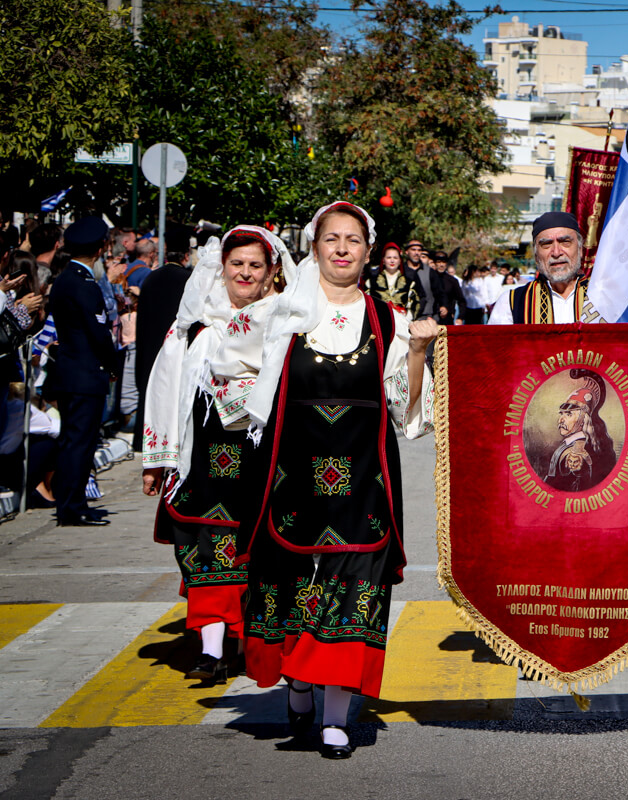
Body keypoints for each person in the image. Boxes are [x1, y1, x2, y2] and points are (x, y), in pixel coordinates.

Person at [238, 201, 437, 759]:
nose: (342, 248)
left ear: (368, 252)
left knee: (354, 590)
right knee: (296, 586)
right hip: (292, 480)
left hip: (365, 481)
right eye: (332, 239)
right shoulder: (280, 314)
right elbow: (238, 387)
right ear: (315, 247)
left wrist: (419, 351)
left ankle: (334, 717)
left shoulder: (388, 319)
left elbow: (406, 409)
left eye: (353, 239)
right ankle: (299, 682)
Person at [142, 225, 291, 683]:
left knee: (259, 554)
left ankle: (254, 644)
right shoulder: (196, 327)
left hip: (261, 457)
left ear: (271, 274)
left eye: (254, 265)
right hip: (203, 457)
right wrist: (158, 458)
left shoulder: (286, 324)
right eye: (236, 264)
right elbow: (165, 387)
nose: (245, 273)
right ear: (221, 269)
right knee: (203, 548)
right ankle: (211, 649)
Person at [46, 217, 119, 527]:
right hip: (85, 374)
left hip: (72, 372)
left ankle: (70, 502)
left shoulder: (65, 278)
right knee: (81, 442)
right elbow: (98, 332)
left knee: (73, 441)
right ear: (101, 248)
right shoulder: (83, 282)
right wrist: (113, 364)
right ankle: (73, 505)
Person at [134, 224, 195, 453]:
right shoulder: (189, 280)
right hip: (178, 354)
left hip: (151, 352)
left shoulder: (151, 280)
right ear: (187, 255)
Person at [488, 212, 602, 325]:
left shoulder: (603, 298)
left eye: (565, 242)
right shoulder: (511, 303)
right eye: (547, 244)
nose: (556, 253)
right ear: (536, 256)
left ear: (580, 250)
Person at [543, 369, 618, 491]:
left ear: (583, 420)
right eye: (561, 414)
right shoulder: (572, 445)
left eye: (569, 414)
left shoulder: (577, 452)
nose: (561, 420)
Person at [364, 241, 419, 316]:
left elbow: (414, 306)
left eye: (395, 258)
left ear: (400, 261)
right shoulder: (371, 282)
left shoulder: (409, 283)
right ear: (383, 260)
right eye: (389, 257)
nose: (392, 261)